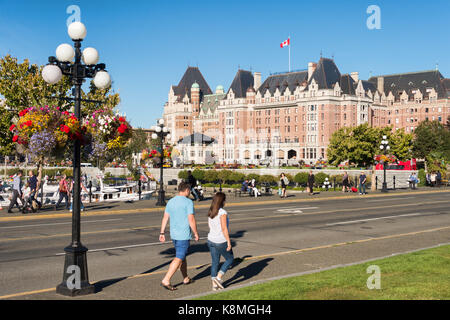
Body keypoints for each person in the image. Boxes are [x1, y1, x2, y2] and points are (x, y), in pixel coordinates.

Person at [159, 182, 199, 291]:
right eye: (189, 190)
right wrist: (195, 233)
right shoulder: (188, 202)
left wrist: (162, 233)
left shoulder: (171, 201)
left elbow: (165, 218)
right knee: (179, 257)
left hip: (174, 234)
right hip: (183, 235)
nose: (190, 192)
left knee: (182, 256)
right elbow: (191, 219)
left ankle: (185, 278)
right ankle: (166, 280)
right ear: (186, 190)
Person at [207, 192, 234, 291]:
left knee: (215, 262)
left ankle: (214, 285)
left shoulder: (211, 211)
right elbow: (224, 228)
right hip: (220, 240)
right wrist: (228, 241)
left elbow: (209, 226)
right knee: (230, 259)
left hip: (211, 239)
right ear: (222, 201)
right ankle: (218, 278)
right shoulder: (222, 212)